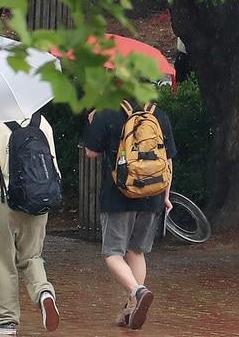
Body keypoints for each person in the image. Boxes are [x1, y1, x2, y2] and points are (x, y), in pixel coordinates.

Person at [81, 101, 178, 330]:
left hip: (119, 195)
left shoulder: (108, 111)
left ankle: (137, 292)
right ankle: (132, 308)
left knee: (113, 254)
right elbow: (168, 160)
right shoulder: (158, 114)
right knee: (136, 252)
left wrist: (93, 123)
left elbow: (90, 151)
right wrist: (165, 196)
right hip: (152, 194)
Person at [0, 114, 61, 336]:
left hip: (4, 198)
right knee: (32, 256)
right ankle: (44, 293)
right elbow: (51, 160)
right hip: (39, 198)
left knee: (1, 259)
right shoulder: (43, 122)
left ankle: (6, 321)